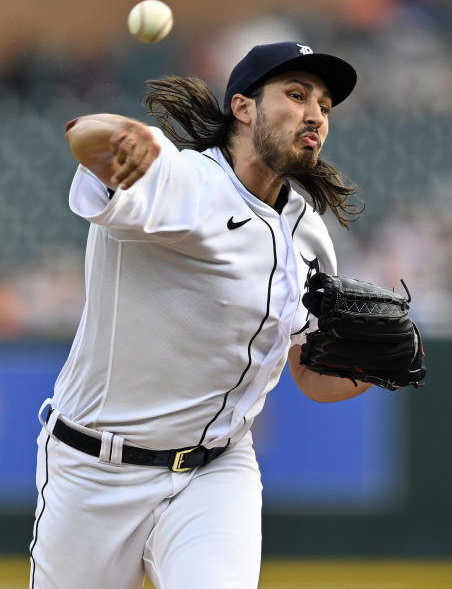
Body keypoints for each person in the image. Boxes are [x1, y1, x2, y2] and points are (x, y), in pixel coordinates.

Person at [30, 42, 370, 589]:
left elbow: (309, 372)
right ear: (243, 107)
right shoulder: (182, 181)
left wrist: (371, 368)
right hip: (94, 472)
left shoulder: (307, 233)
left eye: (326, 106)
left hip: (216, 472)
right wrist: (111, 135)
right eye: (297, 94)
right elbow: (87, 137)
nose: (315, 115)